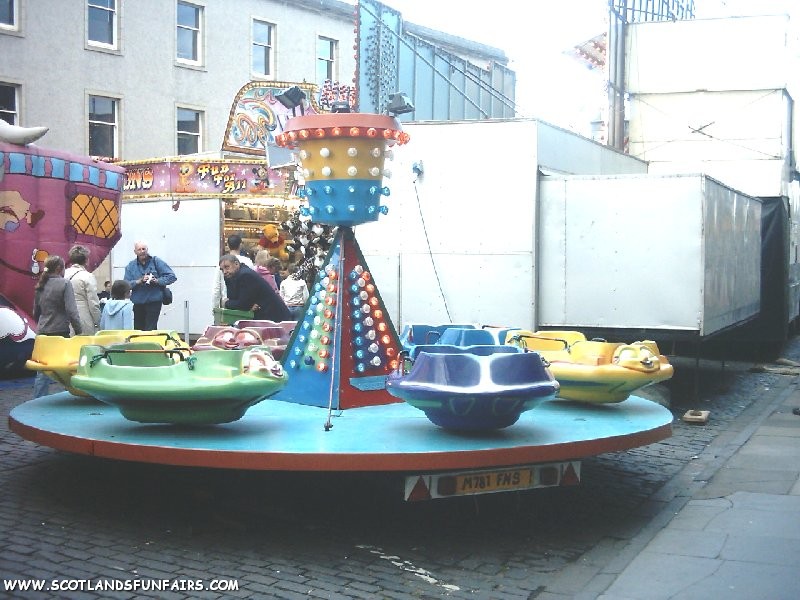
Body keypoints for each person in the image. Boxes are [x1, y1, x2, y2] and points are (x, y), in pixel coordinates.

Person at [32, 255, 83, 398]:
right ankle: (70, 397)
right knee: (65, 368)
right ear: (59, 268)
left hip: (42, 331)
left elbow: (36, 312)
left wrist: (41, 323)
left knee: (43, 369)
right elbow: (72, 311)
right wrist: (79, 331)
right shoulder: (65, 284)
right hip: (60, 331)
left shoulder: (40, 285)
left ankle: (38, 399)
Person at [219, 254, 291, 322]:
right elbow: (236, 300)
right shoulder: (234, 276)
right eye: (222, 269)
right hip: (265, 318)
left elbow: (242, 304)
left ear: (236, 264)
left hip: (275, 318)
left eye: (227, 267)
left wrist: (226, 303)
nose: (224, 272)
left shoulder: (245, 275)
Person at [123, 241, 177, 331]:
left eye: (144, 249)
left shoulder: (156, 261)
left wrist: (157, 281)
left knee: (150, 329)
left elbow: (172, 276)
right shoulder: (130, 266)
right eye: (139, 249)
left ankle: (151, 344)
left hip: (154, 301)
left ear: (147, 250)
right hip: (138, 303)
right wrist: (139, 281)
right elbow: (125, 285)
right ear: (135, 252)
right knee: (138, 329)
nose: (142, 251)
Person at [63, 244, 101, 336]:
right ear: (86, 260)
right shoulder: (88, 276)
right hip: (83, 317)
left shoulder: (63, 274)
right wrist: (98, 321)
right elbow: (93, 303)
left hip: (65, 318)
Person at [213, 234, 254, 309]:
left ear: (228, 245)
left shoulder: (221, 263)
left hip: (227, 303)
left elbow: (216, 288)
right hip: (245, 305)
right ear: (240, 245)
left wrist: (215, 308)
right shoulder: (248, 261)